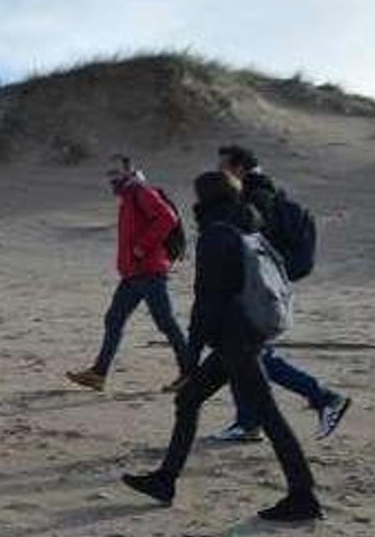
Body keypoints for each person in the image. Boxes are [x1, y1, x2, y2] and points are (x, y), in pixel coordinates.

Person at [122, 171, 323, 522]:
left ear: (206, 199)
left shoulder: (216, 234)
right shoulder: (248, 225)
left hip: (235, 338)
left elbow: (206, 302)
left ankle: (303, 495)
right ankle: (165, 480)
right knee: (188, 400)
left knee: (268, 415)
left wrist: (190, 358)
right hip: (247, 332)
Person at [211, 145, 351, 442]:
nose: (219, 172)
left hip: (254, 290)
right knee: (244, 354)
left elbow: (250, 245)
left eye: (222, 167)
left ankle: (323, 397)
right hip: (261, 287)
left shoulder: (254, 197)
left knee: (249, 354)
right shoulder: (267, 193)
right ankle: (248, 422)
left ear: (238, 168)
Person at [66, 155, 191, 392]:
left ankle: (190, 373)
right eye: (109, 173)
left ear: (129, 172)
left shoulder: (141, 193)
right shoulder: (128, 198)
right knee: (114, 319)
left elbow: (167, 218)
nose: (112, 178)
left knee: (166, 322)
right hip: (133, 273)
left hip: (150, 271)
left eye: (116, 172)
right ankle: (98, 374)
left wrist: (142, 247)